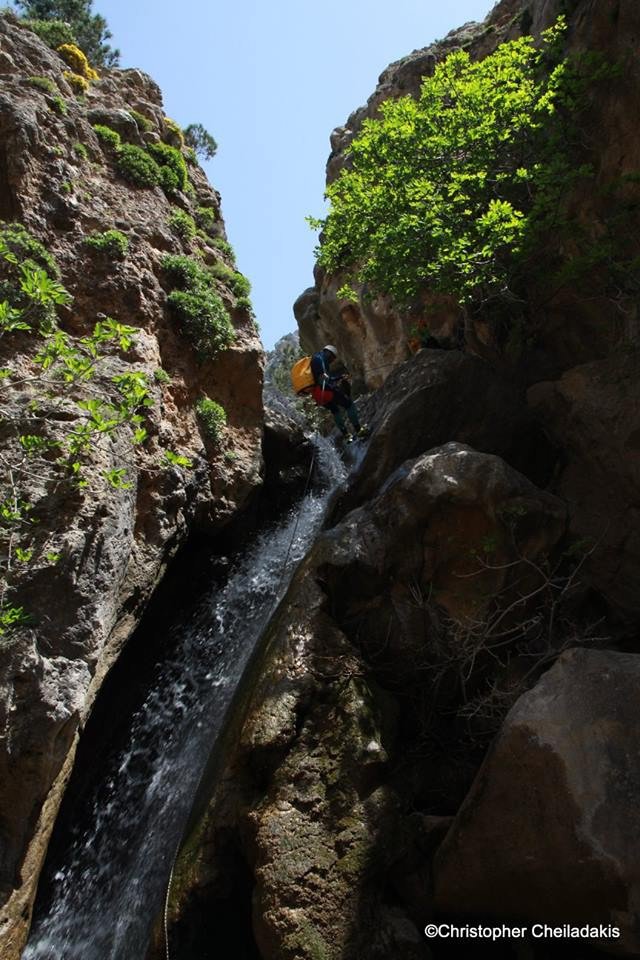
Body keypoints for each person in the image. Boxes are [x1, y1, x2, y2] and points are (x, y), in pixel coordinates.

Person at [310, 345, 368, 443]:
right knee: (348, 404)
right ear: (329, 353)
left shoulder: (315, 358)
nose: (333, 360)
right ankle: (359, 431)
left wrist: (339, 378)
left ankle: (346, 436)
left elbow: (321, 378)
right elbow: (324, 379)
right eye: (333, 357)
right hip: (324, 391)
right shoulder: (321, 358)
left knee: (335, 410)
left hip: (316, 394)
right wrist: (337, 379)